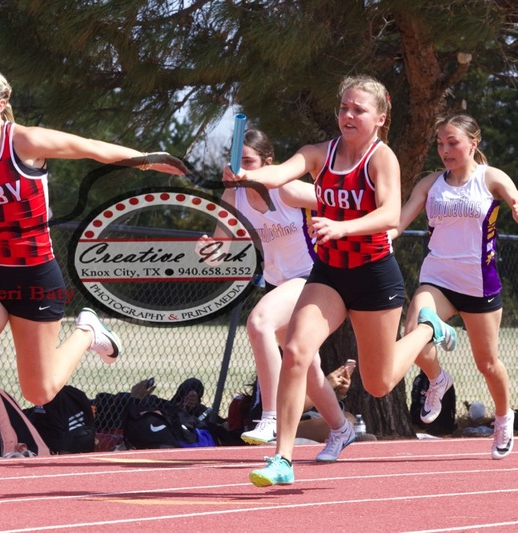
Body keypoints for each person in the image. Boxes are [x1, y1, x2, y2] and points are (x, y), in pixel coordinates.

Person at [0, 61, 185, 509]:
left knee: (40, 391)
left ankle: (87, 332)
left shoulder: (24, 142)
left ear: (0, 103)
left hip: (34, 277)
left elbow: (89, 148)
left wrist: (146, 160)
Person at [223, 75, 457, 487]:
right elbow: (279, 175)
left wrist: (343, 228)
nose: (348, 115)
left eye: (358, 109)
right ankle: (282, 459)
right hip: (329, 274)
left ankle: (426, 328)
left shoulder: (381, 159)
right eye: (344, 107)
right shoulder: (318, 153)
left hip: (372, 275)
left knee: (379, 383)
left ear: (380, 118)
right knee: (296, 349)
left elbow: (388, 215)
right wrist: (247, 174)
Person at [202, 128, 356, 462]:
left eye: (248, 161)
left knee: (259, 322)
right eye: (235, 161)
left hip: (313, 279)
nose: (240, 168)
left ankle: (270, 419)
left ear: (267, 163)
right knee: (308, 369)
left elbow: (341, 202)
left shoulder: (286, 190)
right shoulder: (235, 196)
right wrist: (210, 251)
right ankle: (342, 428)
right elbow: (221, 245)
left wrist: (353, 229)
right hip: (281, 285)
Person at [391, 113, 517, 459]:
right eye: (440, 143)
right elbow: (399, 222)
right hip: (438, 278)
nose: (444, 150)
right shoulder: (431, 183)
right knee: (413, 331)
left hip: (479, 283)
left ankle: (503, 419)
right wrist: (383, 237)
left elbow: (514, 198)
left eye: (452, 143)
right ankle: (437, 379)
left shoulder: (490, 178)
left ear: (473, 144)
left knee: (487, 364)